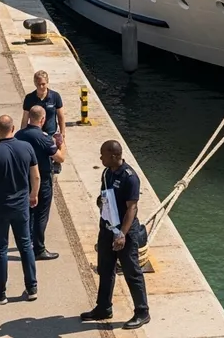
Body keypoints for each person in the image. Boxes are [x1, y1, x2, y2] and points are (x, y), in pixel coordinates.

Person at [80, 140, 150, 329]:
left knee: (131, 271)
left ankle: (142, 312)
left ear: (113, 155)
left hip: (124, 231)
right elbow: (105, 195)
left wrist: (122, 235)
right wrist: (100, 202)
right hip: (107, 228)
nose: (100, 157)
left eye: (102, 154)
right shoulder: (106, 173)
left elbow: (132, 208)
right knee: (105, 268)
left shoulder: (130, 178)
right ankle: (103, 307)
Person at [0, 115, 39, 305]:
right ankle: (32, 287)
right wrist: (33, 195)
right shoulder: (27, 148)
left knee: (0, 249)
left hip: (0, 207)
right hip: (21, 206)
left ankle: (0, 292)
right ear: (13, 128)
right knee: (25, 245)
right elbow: (35, 177)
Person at [16, 105, 65, 260]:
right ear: (43, 120)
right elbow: (60, 158)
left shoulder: (18, 135)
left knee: (28, 212)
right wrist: (61, 143)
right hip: (42, 180)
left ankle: (27, 242)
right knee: (41, 215)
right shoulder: (43, 138)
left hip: (23, 179)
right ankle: (39, 249)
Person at [21, 70, 66, 146]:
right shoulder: (29, 98)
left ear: (47, 82)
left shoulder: (55, 96)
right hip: (35, 136)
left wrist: (62, 133)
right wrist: (22, 135)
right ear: (35, 83)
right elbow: (25, 118)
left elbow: (61, 116)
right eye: (38, 84)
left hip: (52, 134)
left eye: (43, 84)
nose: (41, 87)